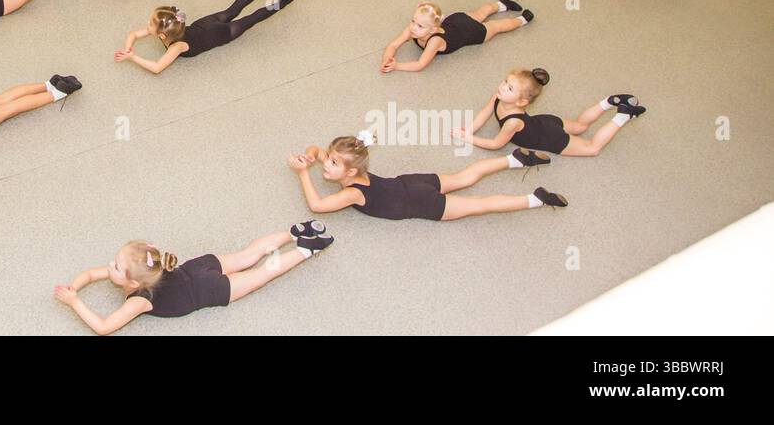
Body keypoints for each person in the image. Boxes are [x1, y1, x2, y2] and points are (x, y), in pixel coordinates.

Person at [54, 223, 334, 334]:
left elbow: (104, 328)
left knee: (260, 274)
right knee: (248, 255)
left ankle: (305, 250)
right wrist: (74, 286)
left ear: (133, 283)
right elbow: (91, 274)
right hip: (197, 267)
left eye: (114, 265)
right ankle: (295, 231)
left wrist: (75, 302)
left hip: (206, 290)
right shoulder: (143, 269)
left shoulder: (139, 300)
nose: (109, 266)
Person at [287, 131, 568, 222]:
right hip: (410, 182)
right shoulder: (353, 168)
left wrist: (303, 174)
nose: (327, 164)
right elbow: (317, 150)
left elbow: (318, 206)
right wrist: (312, 156)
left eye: (332, 162)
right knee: (465, 177)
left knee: (481, 204)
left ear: (349, 171)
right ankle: (513, 159)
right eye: (329, 158)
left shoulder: (351, 192)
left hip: (420, 204)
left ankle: (535, 199)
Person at [454, 68, 647, 157]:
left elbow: (496, 144)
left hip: (549, 137)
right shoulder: (498, 96)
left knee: (592, 148)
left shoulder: (513, 123)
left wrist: (468, 138)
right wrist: (470, 129)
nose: (503, 87)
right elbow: (484, 113)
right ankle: (609, 101)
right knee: (580, 125)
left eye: (510, 88)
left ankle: (623, 115)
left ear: (522, 101)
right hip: (543, 122)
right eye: (505, 82)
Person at [115, 0, 294, 73]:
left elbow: (157, 67)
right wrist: (128, 47)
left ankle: (282, 1)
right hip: (206, 23)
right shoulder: (169, 27)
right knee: (232, 9)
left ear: (161, 35)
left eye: (150, 24)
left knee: (251, 19)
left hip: (221, 34)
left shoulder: (177, 46)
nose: (147, 26)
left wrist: (133, 58)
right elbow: (134, 34)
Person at [380, 0, 532, 73]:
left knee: (495, 26)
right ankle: (501, 4)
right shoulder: (413, 29)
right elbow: (393, 45)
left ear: (433, 30)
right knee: (479, 14)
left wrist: (397, 66)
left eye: (420, 26)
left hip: (469, 33)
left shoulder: (435, 41)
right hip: (456, 19)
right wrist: (387, 58)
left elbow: (420, 64)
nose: (413, 27)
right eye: (413, 21)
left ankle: (521, 20)